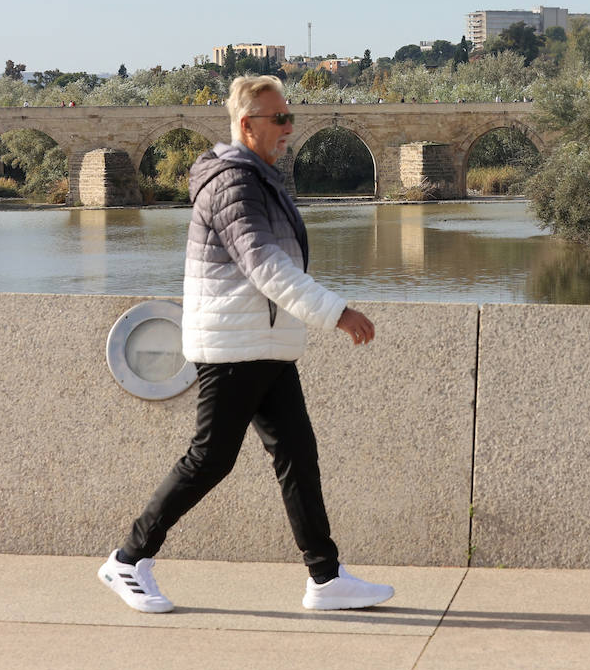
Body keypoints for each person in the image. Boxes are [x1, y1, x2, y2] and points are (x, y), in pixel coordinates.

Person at [98, 75, 393, 614]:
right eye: (278, 119)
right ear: (245, 125)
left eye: (289, 117)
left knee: (297, 456)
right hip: (235, 344)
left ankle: (325, 579)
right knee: (210, 459)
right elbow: (266, 266)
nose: (288, 128)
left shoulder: (260, 178)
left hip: (265, 342)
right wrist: (336, 312)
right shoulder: (233, 183)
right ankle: (128, 558)